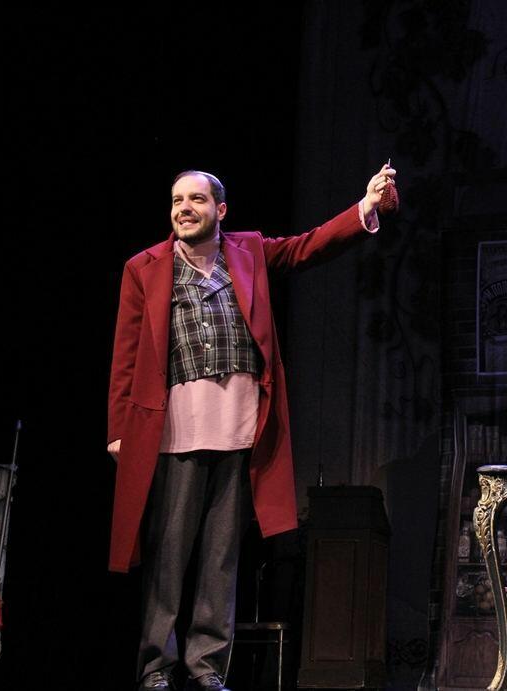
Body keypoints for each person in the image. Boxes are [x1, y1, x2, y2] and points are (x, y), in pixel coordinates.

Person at [107, 165, 396, 691]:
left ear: (220, 210)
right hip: (176, 430)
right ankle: (156, 665)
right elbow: (126, 354)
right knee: (168, 554)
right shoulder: (143, 268)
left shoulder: (250, 252)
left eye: (196, 199)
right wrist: (118, 427)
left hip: (239, 427)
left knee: (221, 557)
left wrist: (365, 207)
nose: (184, 208)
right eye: (177, 200)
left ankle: (206, 665)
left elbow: (309, 246)